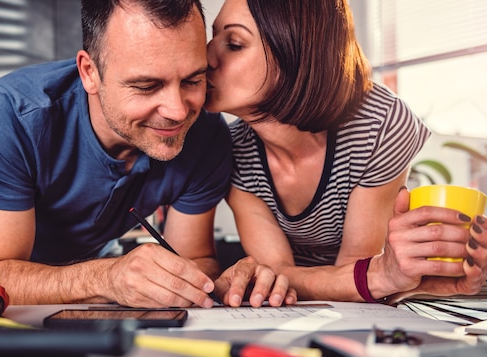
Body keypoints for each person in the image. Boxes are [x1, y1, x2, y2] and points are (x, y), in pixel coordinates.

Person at [0, 0, 289, 308]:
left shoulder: (207, 133)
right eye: (146, 86)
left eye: (192, 80)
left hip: (91, 264)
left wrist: (205, 283)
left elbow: (194, 257)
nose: (177, 111)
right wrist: (107, 277)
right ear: (89, 73)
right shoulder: (14, 113)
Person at [205, 0, 487, 306]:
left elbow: (358, 267)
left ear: (298, 53)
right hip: (313, 303)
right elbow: (276, 274)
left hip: (360, 298)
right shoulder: (228, 149)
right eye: (213, 36)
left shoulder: (379, 123)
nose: (205, 56)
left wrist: (371, 277)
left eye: (234, 43)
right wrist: (364, 278)